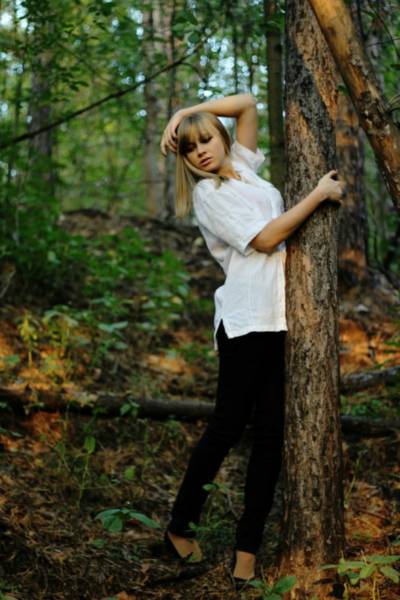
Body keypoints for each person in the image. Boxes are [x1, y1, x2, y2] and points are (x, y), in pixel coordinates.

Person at [159, 93, 343, 586]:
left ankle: (247, 548)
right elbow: (264, 239)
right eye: (189, 147)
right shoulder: (209, 195)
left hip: (281, 319)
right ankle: (180, 524)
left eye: (205, 139)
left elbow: (246, 104)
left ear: (221, 139)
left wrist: (183, 114)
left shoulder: (242, 166)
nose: (200, 151)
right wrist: (317, 195)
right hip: (245, 322)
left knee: (271, 436)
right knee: (226, 428)